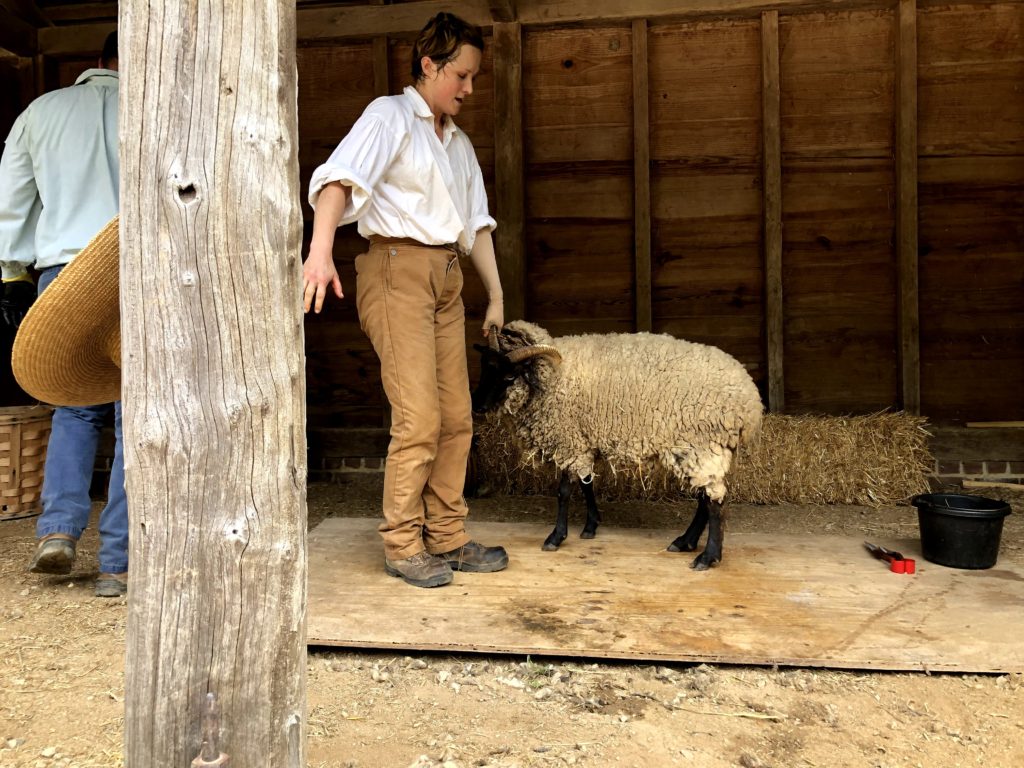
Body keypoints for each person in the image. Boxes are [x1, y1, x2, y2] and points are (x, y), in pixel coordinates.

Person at [303, 13, 508, 588]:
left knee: (457, 417)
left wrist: (495, 295)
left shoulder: (457, 142)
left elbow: (476, 226)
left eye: (473, 78)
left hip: (446, 274)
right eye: (461, 76)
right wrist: (319, 256)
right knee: (418, 416)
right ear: (429, 65)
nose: (469, 88)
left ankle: (447, 535)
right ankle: (402, 544)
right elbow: (338, 182)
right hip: (396, 270)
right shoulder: (389, 116)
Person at [0, 31, 127, 598]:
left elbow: (11, 200)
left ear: (95, 64)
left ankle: (58, 530)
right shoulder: (155, 106)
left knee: (75, 410)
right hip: (136, 267)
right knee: (136, 417)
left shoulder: (40, 111)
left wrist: (10, 272)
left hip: (64, 272)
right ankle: (119, 562)